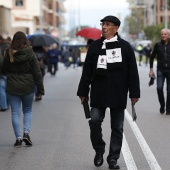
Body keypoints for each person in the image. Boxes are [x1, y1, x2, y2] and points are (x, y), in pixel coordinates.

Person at [77, 15, 140, 169]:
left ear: (116, 28)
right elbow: (87, 71)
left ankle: (113, 158)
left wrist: (134, 93)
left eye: (107, 24)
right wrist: (83, 91)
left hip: (118, 92)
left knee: (117, 127)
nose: (104, 27)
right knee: (95, 122)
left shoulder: (125, 47)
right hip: (99, 92)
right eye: (103, 24)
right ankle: (99, 150)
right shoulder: (95, 47)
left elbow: (133, 72)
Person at [2, 31, 44, 147]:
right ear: (25, 40)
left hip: (12, 86)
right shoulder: (30, 52)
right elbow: (37, 72)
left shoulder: (8, 52)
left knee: (15, 112)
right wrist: (40, 89)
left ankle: (18, 138)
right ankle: (26, 133)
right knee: (27, 110)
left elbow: (4, 69)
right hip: (27, 86)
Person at [149, 28, 170, 115]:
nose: (163, 36)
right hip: (160, 70)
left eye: (165, 34)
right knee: (159, 88)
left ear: (169, 35)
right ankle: (162, 105)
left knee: (169, 91)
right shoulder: (158, 45)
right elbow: (152, 57)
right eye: (162, 34)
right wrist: (151, 69)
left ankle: (168, 109)